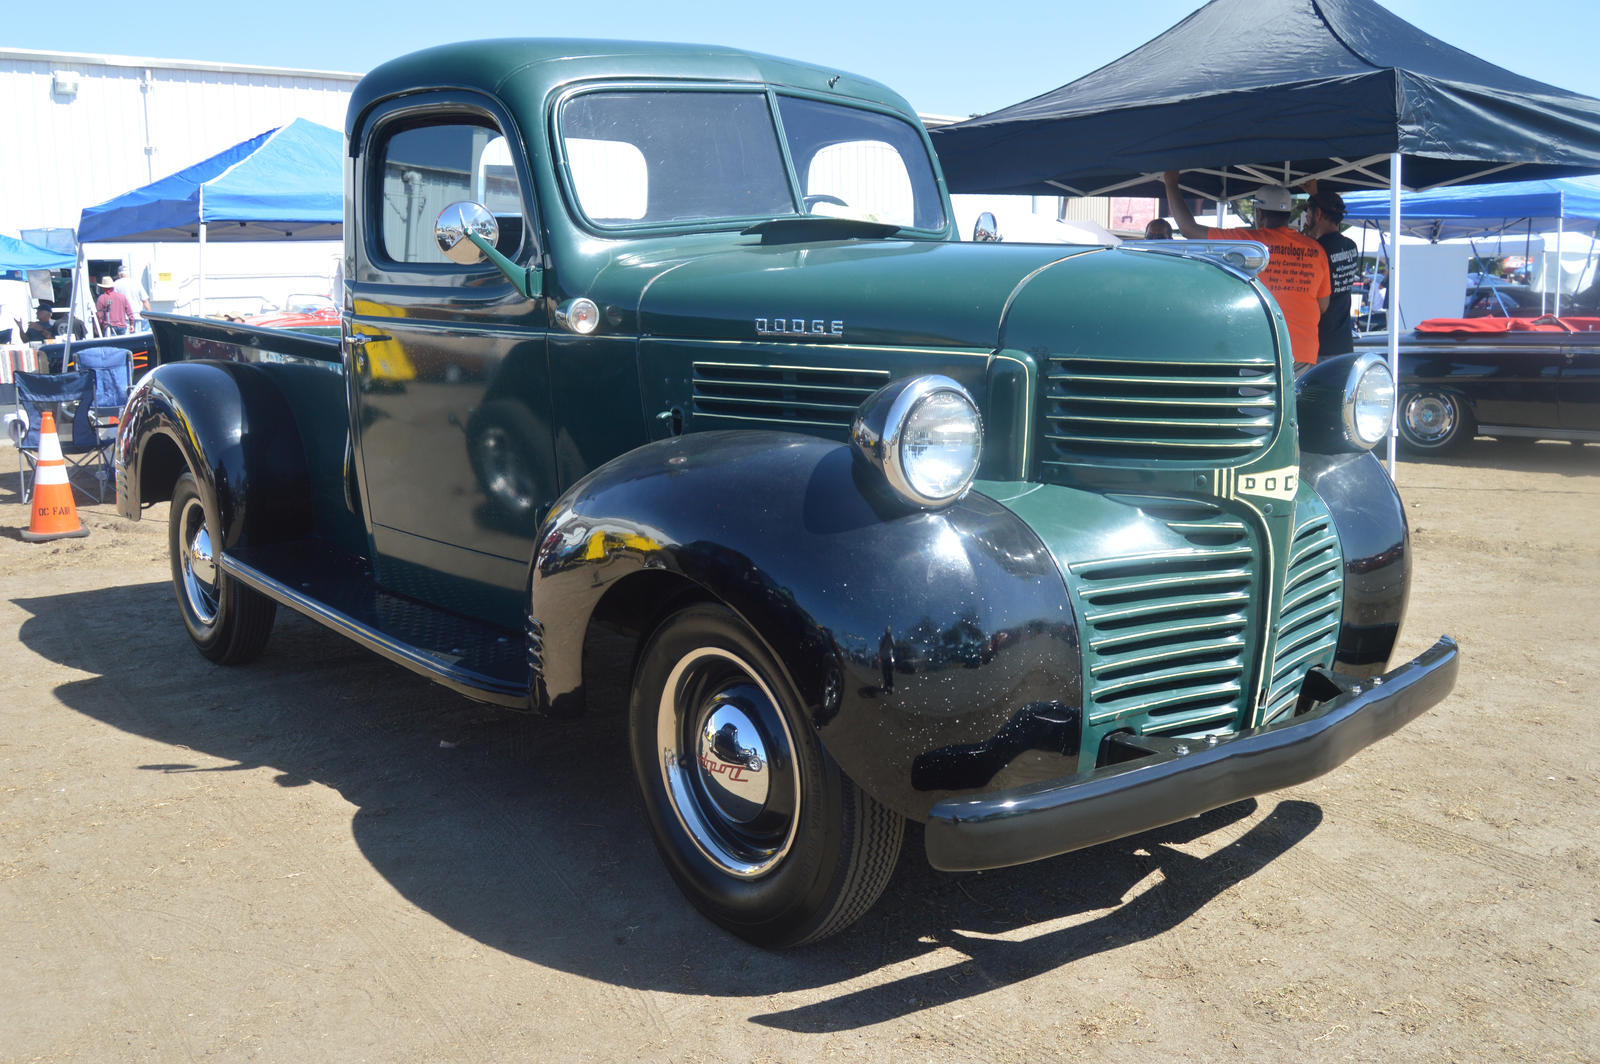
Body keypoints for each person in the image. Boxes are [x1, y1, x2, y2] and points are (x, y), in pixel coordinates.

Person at [1163, 171, 1330, 372]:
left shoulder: (1249, 243)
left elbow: (1189, 229)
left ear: (1259, 213)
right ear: (1288, 214)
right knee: (1297, 404)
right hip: (1304, 353)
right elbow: (1323, 305)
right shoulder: (1316, 250)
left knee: (1258, 404)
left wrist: (1171, 183)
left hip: (1260, 350)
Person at [1302, 185, 1359, 358]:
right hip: (1343, 343)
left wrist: (1304, 241)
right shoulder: (1351, 246)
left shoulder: (1316, 251)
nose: (1306, 218)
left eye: (1308, 213)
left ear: (1318, 214)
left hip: (1320, 344)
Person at [112, 265, 150, 333]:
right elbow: (145, 300)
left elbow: (113, 302)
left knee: (126, 340)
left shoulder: (115, 285)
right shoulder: (136, 283)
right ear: (128, 273)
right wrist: (150, 315)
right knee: (137, 339)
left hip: (123, 317)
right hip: (137, 315)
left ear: (119, 274)